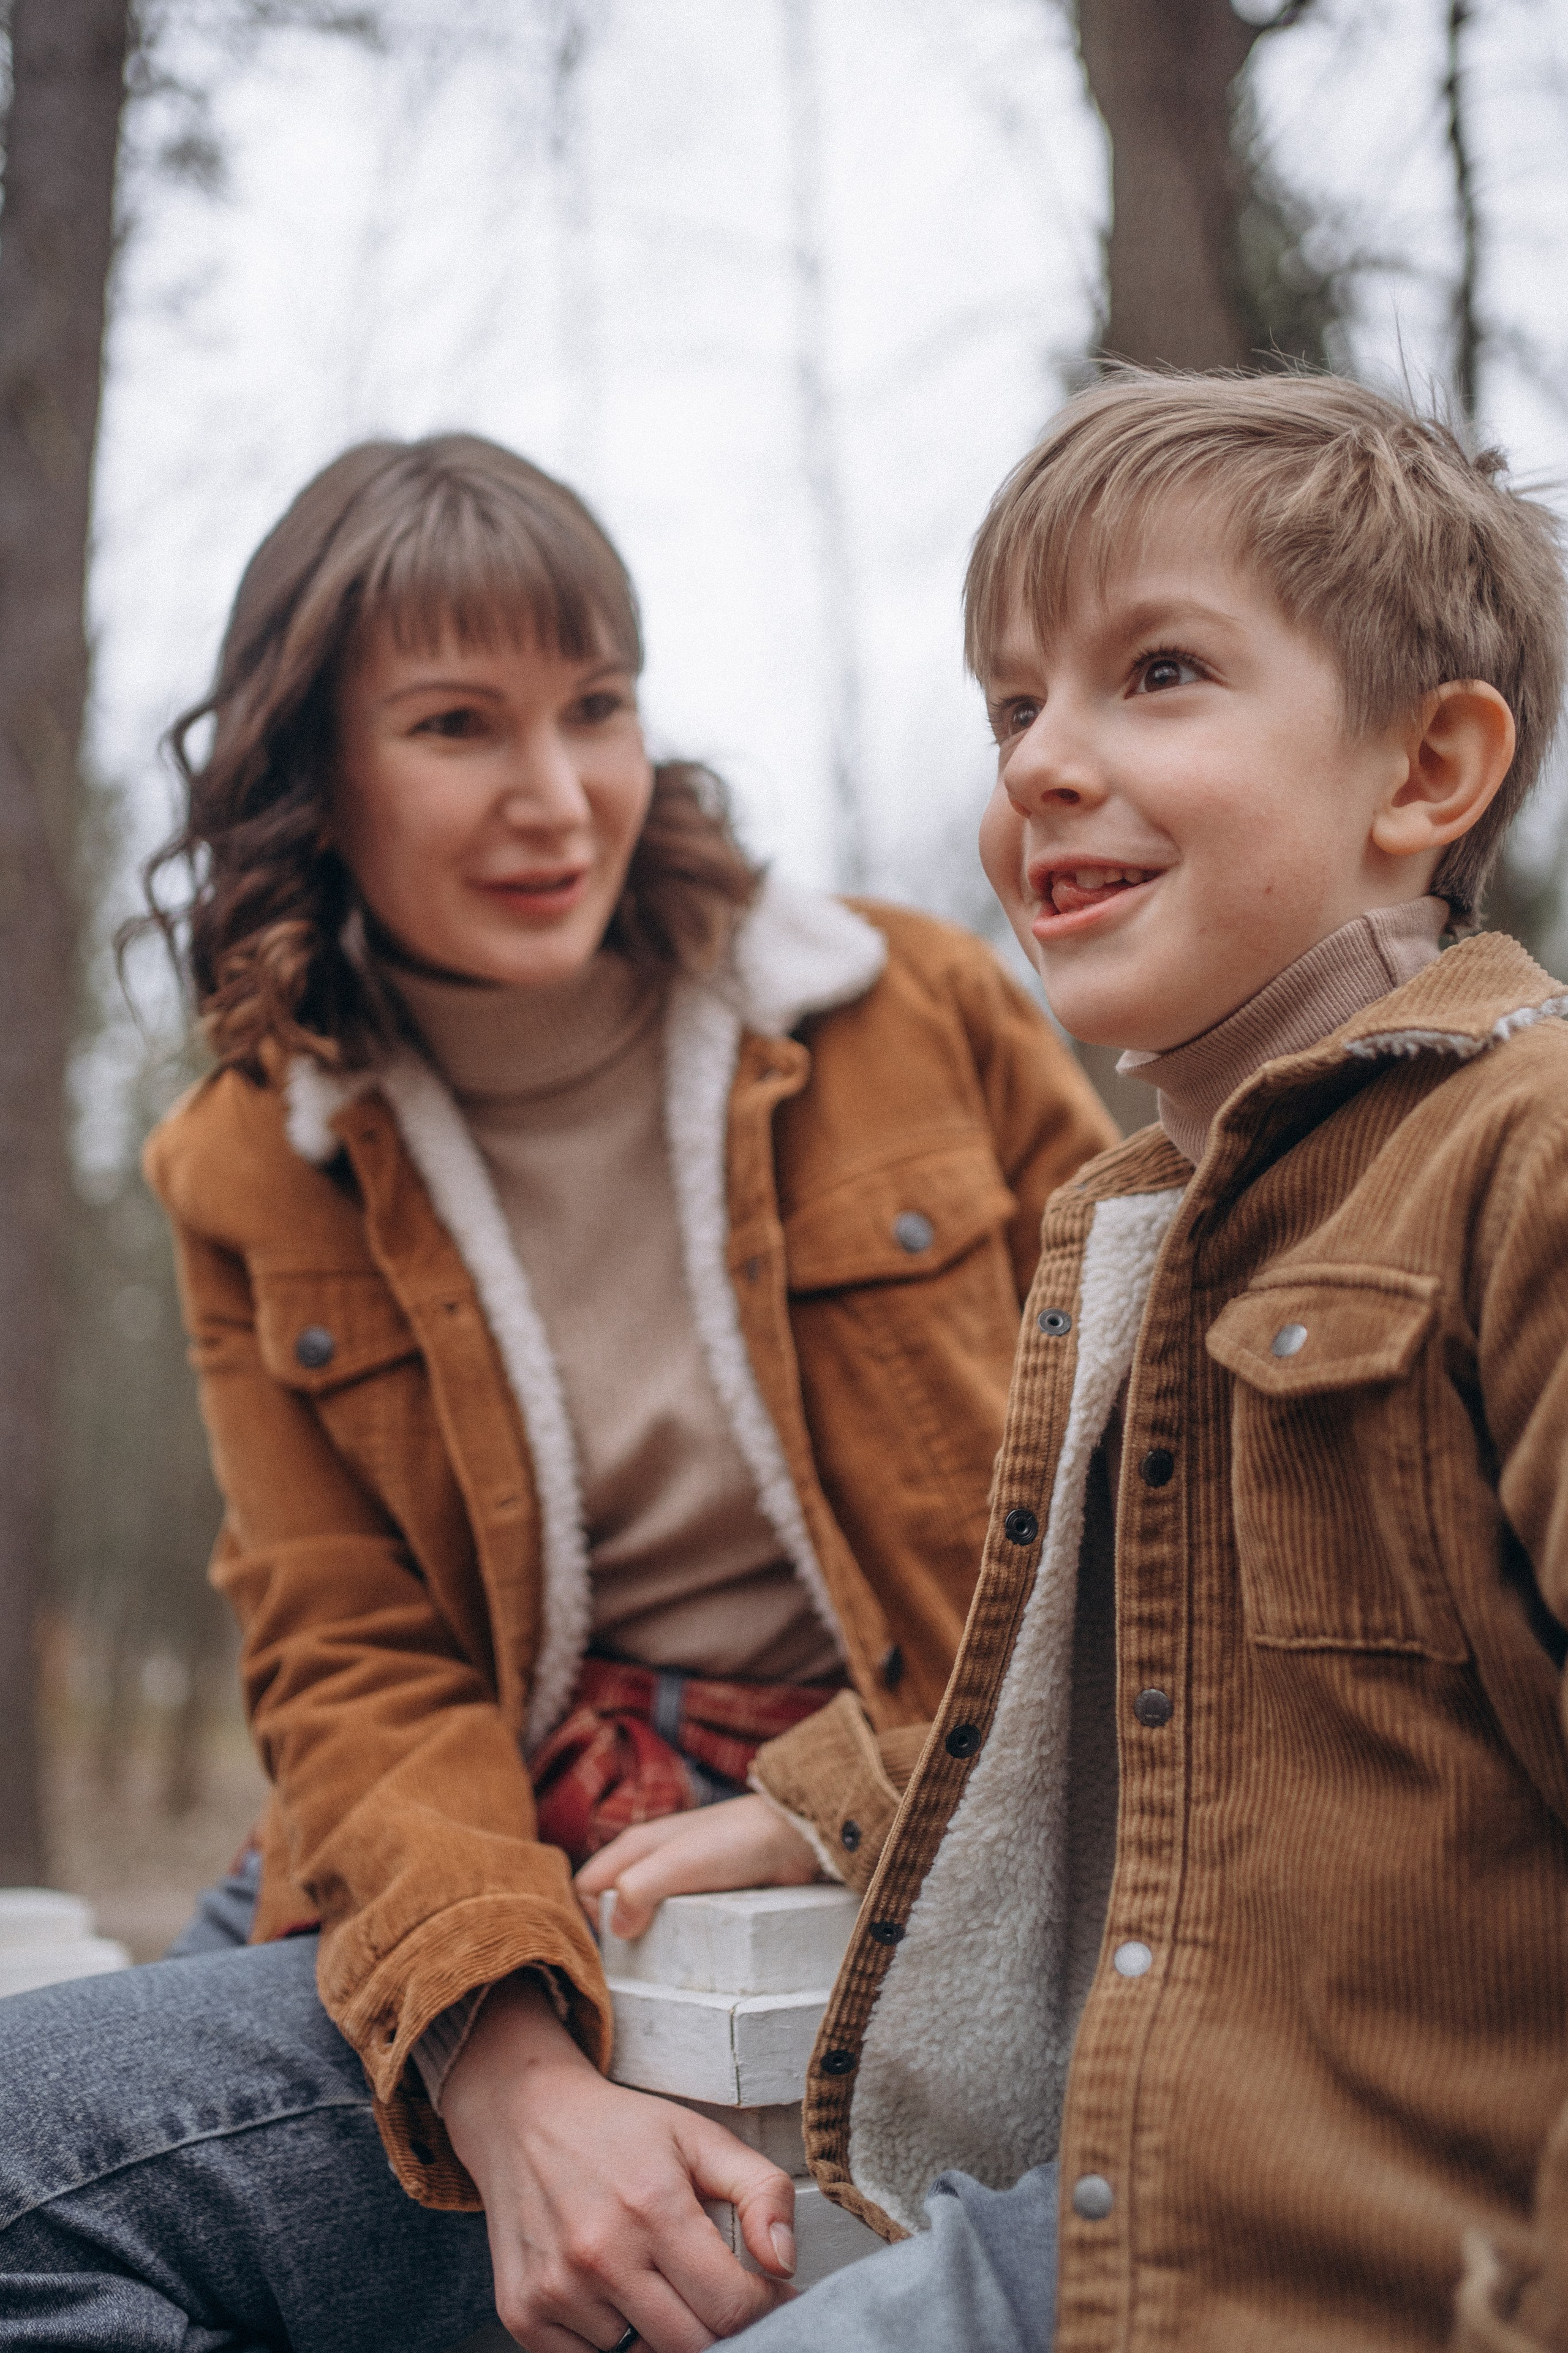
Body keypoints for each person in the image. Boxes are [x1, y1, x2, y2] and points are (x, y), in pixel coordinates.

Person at [0, 433, 1115, 2353]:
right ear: (313, 775)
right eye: (457, 724)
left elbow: (1141, 1496)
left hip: (855, 1821)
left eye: (595, 707)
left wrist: (835, 1796)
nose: (556, 796)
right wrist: (502, 2074)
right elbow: (349, 1650)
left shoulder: (914, 1010)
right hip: (479, 1851)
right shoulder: (251, 1158)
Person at [723, 370, 1568, 2353]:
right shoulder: (1147, 1222)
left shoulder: (1524, 1159)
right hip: (1134, 2216)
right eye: (1013, 705)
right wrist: (841, 1796)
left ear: (1429, 767)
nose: (1039, 762)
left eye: (1157, 674)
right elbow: (1222, 1724)